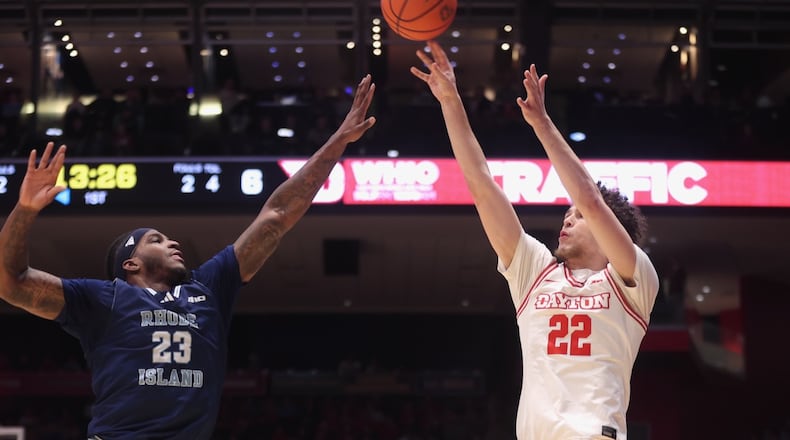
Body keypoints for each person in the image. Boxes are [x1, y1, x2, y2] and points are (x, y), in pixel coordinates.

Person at [0, 74, 376, 439]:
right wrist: (25, 209)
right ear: (130, 264)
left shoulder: (208, 287)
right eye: (156, 240)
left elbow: (275, 217)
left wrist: (337, 142)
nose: (171, 242)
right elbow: (10, 282)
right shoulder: (104, 299)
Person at [411, 41, 658, 439]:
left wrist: (542, 124)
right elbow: (481, 183)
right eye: (567, 213)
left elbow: (592, 201)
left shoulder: (633, 280)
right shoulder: (535, 272)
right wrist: (450, 100)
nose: (568, 218)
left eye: (575, 216)